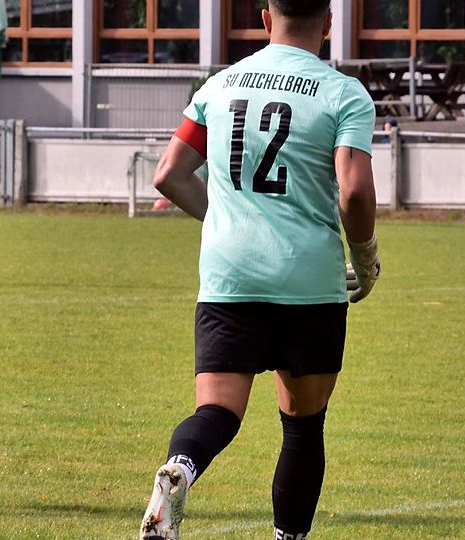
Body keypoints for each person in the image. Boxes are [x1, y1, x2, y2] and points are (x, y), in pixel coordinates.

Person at [138, 0, 380, 538]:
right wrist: (365, 258)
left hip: (230, 277)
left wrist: (227, 218)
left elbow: (168, 174)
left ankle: (179, 469)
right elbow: (355, 191)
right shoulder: (343, 94)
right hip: (307, 281)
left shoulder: (219, 86)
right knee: (302, 427)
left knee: (217, 413)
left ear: (266, 19)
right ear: (329, 23)